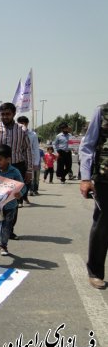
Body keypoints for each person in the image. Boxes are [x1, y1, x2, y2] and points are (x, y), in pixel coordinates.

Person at [0, 102, 32, 240]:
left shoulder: (22, 129)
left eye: (8, 114)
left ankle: (9, 230)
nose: (5, 117)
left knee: (12, 201)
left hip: (16, 168)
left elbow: (27, 150)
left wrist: (29, 170)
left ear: (13, 114)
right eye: (2, 114)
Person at [79, 103, 108, 289]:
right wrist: (86, 178)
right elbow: (88, 145)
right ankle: (95, 271)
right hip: (105, 179)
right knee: (103, 225)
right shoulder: (103, 111)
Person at [0, 145, 26, 257]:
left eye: (0, 159)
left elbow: (23, 186)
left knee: (6, 228)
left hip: (10, 206)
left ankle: (3, 245)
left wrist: (19, 194)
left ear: (8, 159)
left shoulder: (15, 172)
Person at [16, 116, 40, 200]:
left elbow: (36, 148)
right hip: (18, 159)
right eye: (20, 123)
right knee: (19, 179)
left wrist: (36, 162)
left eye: (23, 123)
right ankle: (20, 198)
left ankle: (25, 196)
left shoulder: (33, 135)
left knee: (28, 179)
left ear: (27, 124)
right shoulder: (15, 133)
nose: (22, 125)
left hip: (30, 160)